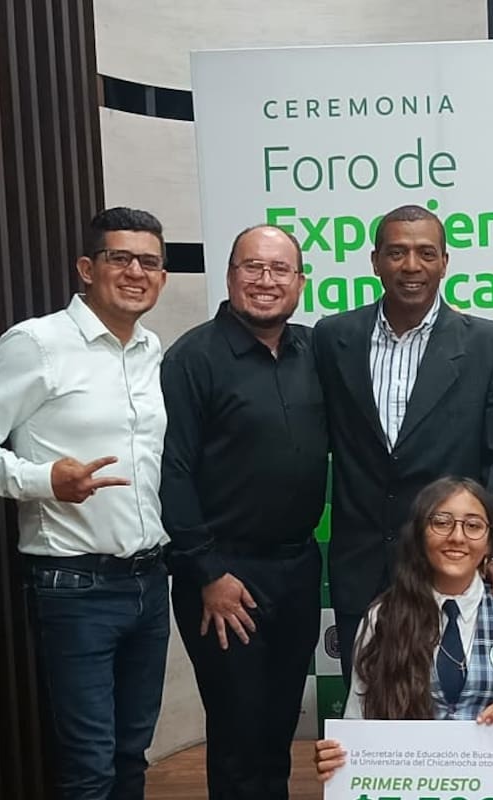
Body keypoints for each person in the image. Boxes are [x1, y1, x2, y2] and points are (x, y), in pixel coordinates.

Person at [0, 207, 170, 799]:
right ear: (87, 268)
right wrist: (43, 480)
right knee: (88, 765)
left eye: (150, 261)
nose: (136, 272)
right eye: (121, 258)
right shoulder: (37, 343)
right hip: (75, 586)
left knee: (130, 754)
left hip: (149, 582)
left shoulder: (150, 349)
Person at [313, 203, 493, 684]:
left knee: (451, 711)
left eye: (425, 253)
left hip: (453, 564)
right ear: (375, 261)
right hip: (361, 569)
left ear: (445, 262)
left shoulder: (491, 346)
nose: (411, 266)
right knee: (369, 717)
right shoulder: (333, 338)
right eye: (397, 253)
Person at [159, 225, 326, 799]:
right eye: (252, 267)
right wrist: (206, 573)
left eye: (281, 269)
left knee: (279, 727)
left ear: (301, 281)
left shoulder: (314, 350)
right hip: (225, 577)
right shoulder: (191, 359)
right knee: (237, 731)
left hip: (299, 569)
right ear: (229, 277)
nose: (266, 280)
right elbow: (172, 472)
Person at [314, 477, 493, 780]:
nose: (457, 537)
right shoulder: (382, 617)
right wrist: (337, 758)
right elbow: (358, 722)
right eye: (441, 522)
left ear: (489, 542)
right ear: (420, 535)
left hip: (492, 785)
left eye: (473, 526)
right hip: (407, 784)